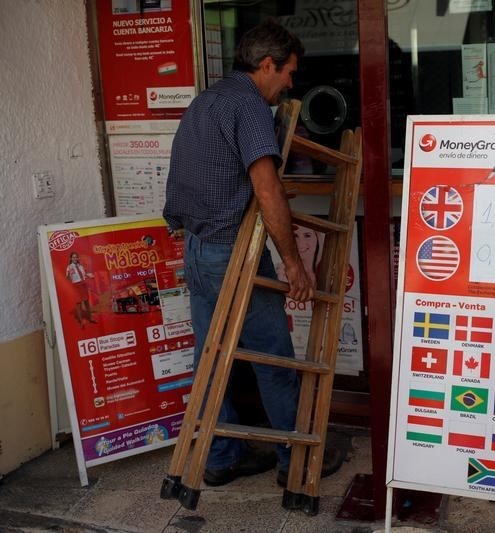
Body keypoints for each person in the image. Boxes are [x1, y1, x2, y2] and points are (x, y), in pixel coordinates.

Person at [163, 19, 314, 488]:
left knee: (211, 356)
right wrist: (293, 262)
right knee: (273, 357)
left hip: (197, 246)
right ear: (267, 65)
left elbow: (209, 176)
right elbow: (266, 188)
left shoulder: (205, 101)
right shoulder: (249, 106)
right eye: (288, 72)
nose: (291, 82)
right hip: (233, 252)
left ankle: (222, 457)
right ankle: (294, 459)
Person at [66, 252, 96, 328]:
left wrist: (89, 275)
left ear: (77, 258)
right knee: (79, 305)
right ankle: (81, 322)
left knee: (87, 303)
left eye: (76, 257)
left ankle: (90, 318)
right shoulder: (69, 267)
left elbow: (84, 274)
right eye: (73, 257)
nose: (75, 258)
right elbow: (68, 277)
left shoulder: (80, 266)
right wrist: (69, 275)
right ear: (71, 259)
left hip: (83, 285)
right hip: (76, 286)